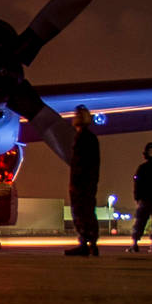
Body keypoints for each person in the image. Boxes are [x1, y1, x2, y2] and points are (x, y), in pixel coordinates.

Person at [64, 105, 100, 256]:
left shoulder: (81, 138)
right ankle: (91, 243)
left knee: (80, 212)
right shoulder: (92, 138)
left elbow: (79, 163)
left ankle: (84, 243)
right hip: (89, 182)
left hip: (81, 182)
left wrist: (75, 183)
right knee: (89, 211)